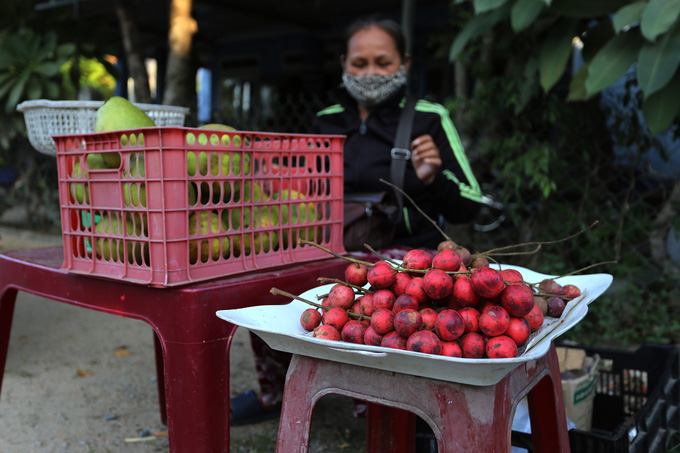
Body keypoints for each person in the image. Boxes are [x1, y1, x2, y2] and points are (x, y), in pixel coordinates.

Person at [230, 15, 483, 426]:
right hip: (333, 245)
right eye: (359, 63)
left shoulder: (427, 118)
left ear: (404, 64)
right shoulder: (327, 119)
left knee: (380, 301)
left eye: (382, 63)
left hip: (405, 253)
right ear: (344, 63)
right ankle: (275, 391)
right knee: (267, 285)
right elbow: (304, 191)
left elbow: (470, 205)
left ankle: (381, 407)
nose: (370, 73)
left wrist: (434, 179)